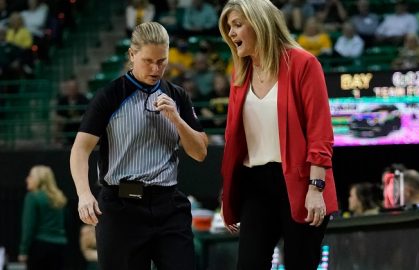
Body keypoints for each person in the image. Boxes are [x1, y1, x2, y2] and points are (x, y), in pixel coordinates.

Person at [70, 21, 207, 270]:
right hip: (122, 206)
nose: (156, 68)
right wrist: (83, 194)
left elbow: (199, 152)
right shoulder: (110, 96)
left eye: (162, 61)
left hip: (168, 205)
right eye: (148, 61)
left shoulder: (178, 96)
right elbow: (80, 149)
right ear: (132, 55)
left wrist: (177, 119)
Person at [218, 1, 338, 269]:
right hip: (255, 185)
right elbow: (233, 137)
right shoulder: (240, 71)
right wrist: (228, 187)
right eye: (229, 27)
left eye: (238, 24)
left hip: (300, 181)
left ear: (261, 24)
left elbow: (320, 132)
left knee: (300, 263)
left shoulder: (304, 63)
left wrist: (316, 188)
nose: (232, 33)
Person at [18, 165, 68, 270]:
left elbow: (28, 227)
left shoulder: (32, 197)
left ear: (38, 179)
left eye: (30, 176)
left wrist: (23, 250)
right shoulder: (59, 198)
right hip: (60, 246)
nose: (27, 179)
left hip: (40, 247)